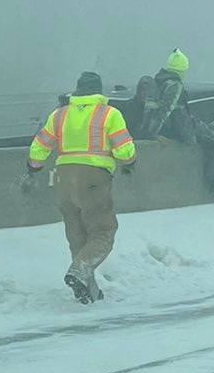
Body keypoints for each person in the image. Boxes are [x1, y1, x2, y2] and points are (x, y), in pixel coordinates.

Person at [28, 71, 137, 302]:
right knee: (102, 232)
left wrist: (34, 167)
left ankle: (88, 289)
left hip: (63, 178)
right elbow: (124, 149)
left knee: (77, 234)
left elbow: (39, 148)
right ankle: (80, 270)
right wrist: (129, 163)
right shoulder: (109, 114)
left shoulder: (59, 115)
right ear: (99, 91)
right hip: (93, 178)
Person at [127, 48, 214, 197]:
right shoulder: (174, 85)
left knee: (204, 129)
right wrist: (152, 135)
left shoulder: (158, 80)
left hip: (173, 127)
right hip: (180, 128)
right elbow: (164, 111)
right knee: (212, 144)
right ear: (181, 70)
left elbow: (151, 111)